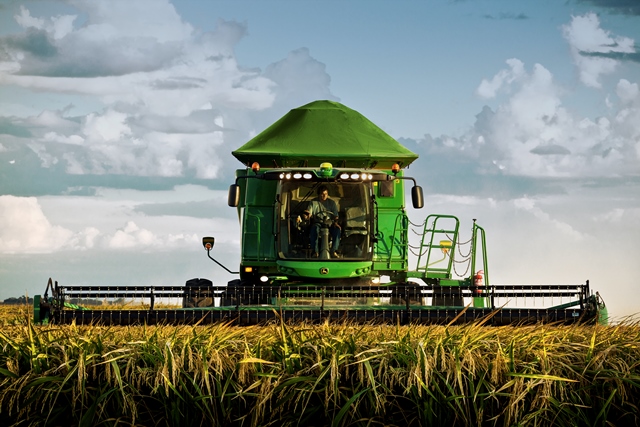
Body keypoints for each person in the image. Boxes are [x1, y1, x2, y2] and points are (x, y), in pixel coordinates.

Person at [302, 185, 341, 257]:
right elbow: (309, 212)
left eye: (325, 194)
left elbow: (335, 215)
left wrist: (335, 222)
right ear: (318, 194)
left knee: (337, 230)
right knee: (314, 229)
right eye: (322, 194)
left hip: (329, 223)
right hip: (318, 223)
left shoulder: (332, 203)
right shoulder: (313, 202)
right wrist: (307, 215)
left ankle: (334, 251)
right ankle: (315, 252)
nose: (324, 196)